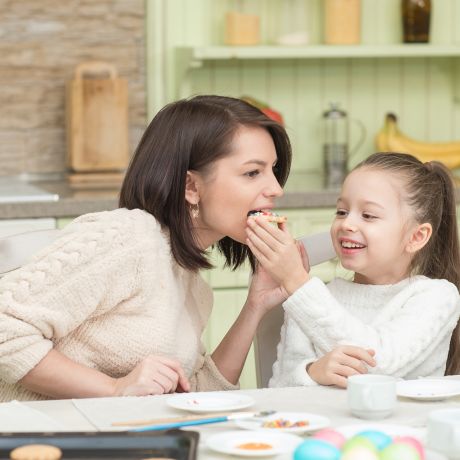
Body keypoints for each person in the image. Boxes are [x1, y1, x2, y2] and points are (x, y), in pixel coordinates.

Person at [0, 95, 292, 402]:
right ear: (191, 187)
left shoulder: (193, 287)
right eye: (252, 173)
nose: (276, 189)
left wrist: (255, 306)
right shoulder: (129, 238)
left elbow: (196, 396)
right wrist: (113, 388)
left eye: (273, 170)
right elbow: (5, 328)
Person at [246, 152, 460, 388]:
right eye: (341, 212)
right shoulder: (314, 297)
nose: (347, 224)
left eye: (368, 215)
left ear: (417, 237)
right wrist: (312, 372)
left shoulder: (436, 297)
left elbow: (379, 364)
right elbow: (278, 389)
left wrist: (296, 281)